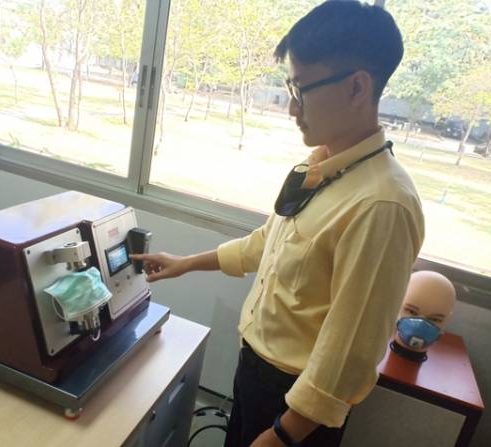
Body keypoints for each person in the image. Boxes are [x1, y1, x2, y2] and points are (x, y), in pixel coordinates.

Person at [132, 1, 425, 446]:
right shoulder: (319, 168)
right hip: (256, 371)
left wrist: (282, 436)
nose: (291, 107)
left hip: (295, 409)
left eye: (301, 89)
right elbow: (267, 243)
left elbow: (349, 352)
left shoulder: (382, 204)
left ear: (357, 87)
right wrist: (186, 263)